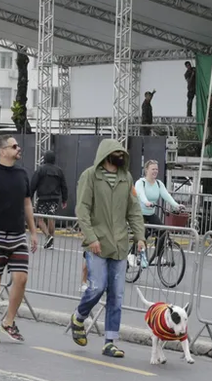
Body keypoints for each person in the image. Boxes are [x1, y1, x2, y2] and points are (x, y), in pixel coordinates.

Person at [69, 139, 145, 359]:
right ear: (106, 154)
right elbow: (82, 209)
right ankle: (79, 316)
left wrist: (140, 236)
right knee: (97, 286)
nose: (120, 156)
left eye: (122, 153)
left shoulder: (126, 178)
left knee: (117, 296)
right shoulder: (90, 176)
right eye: (116, 152)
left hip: (120, 245)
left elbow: (134, 210)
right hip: (97, 244)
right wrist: (91, 237)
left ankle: (110, 341)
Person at [0, 135, 38, 344]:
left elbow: (27, 204)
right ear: (2, 151)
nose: (18, 148)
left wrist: (33, 231)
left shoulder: (22, 174)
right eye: (14, 146)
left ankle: (8, 321)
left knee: (21, 278)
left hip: (17, 235)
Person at [135, 160, 182, 258]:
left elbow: (167, 196)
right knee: (141, 234)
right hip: (139, 213)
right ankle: (134, 255)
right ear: (146, 170)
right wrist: (146, 202)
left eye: (156, 169)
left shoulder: (159, 184)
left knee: (163, 231)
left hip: (151, 214)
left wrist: (177, 205)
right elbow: (141, 195)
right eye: (153, 169)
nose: (155, 171)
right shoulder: (140, 183)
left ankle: (158, 256)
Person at [30, 150, 68, 250]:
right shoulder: (59, 171)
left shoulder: (40, 169)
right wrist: (64, 199)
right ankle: (50, 242)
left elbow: (33, 184)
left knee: (39, 219)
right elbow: (64, 186)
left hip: (43, 197)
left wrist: (29, 198)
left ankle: (48, 236)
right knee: (51, 218)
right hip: (55, 198)